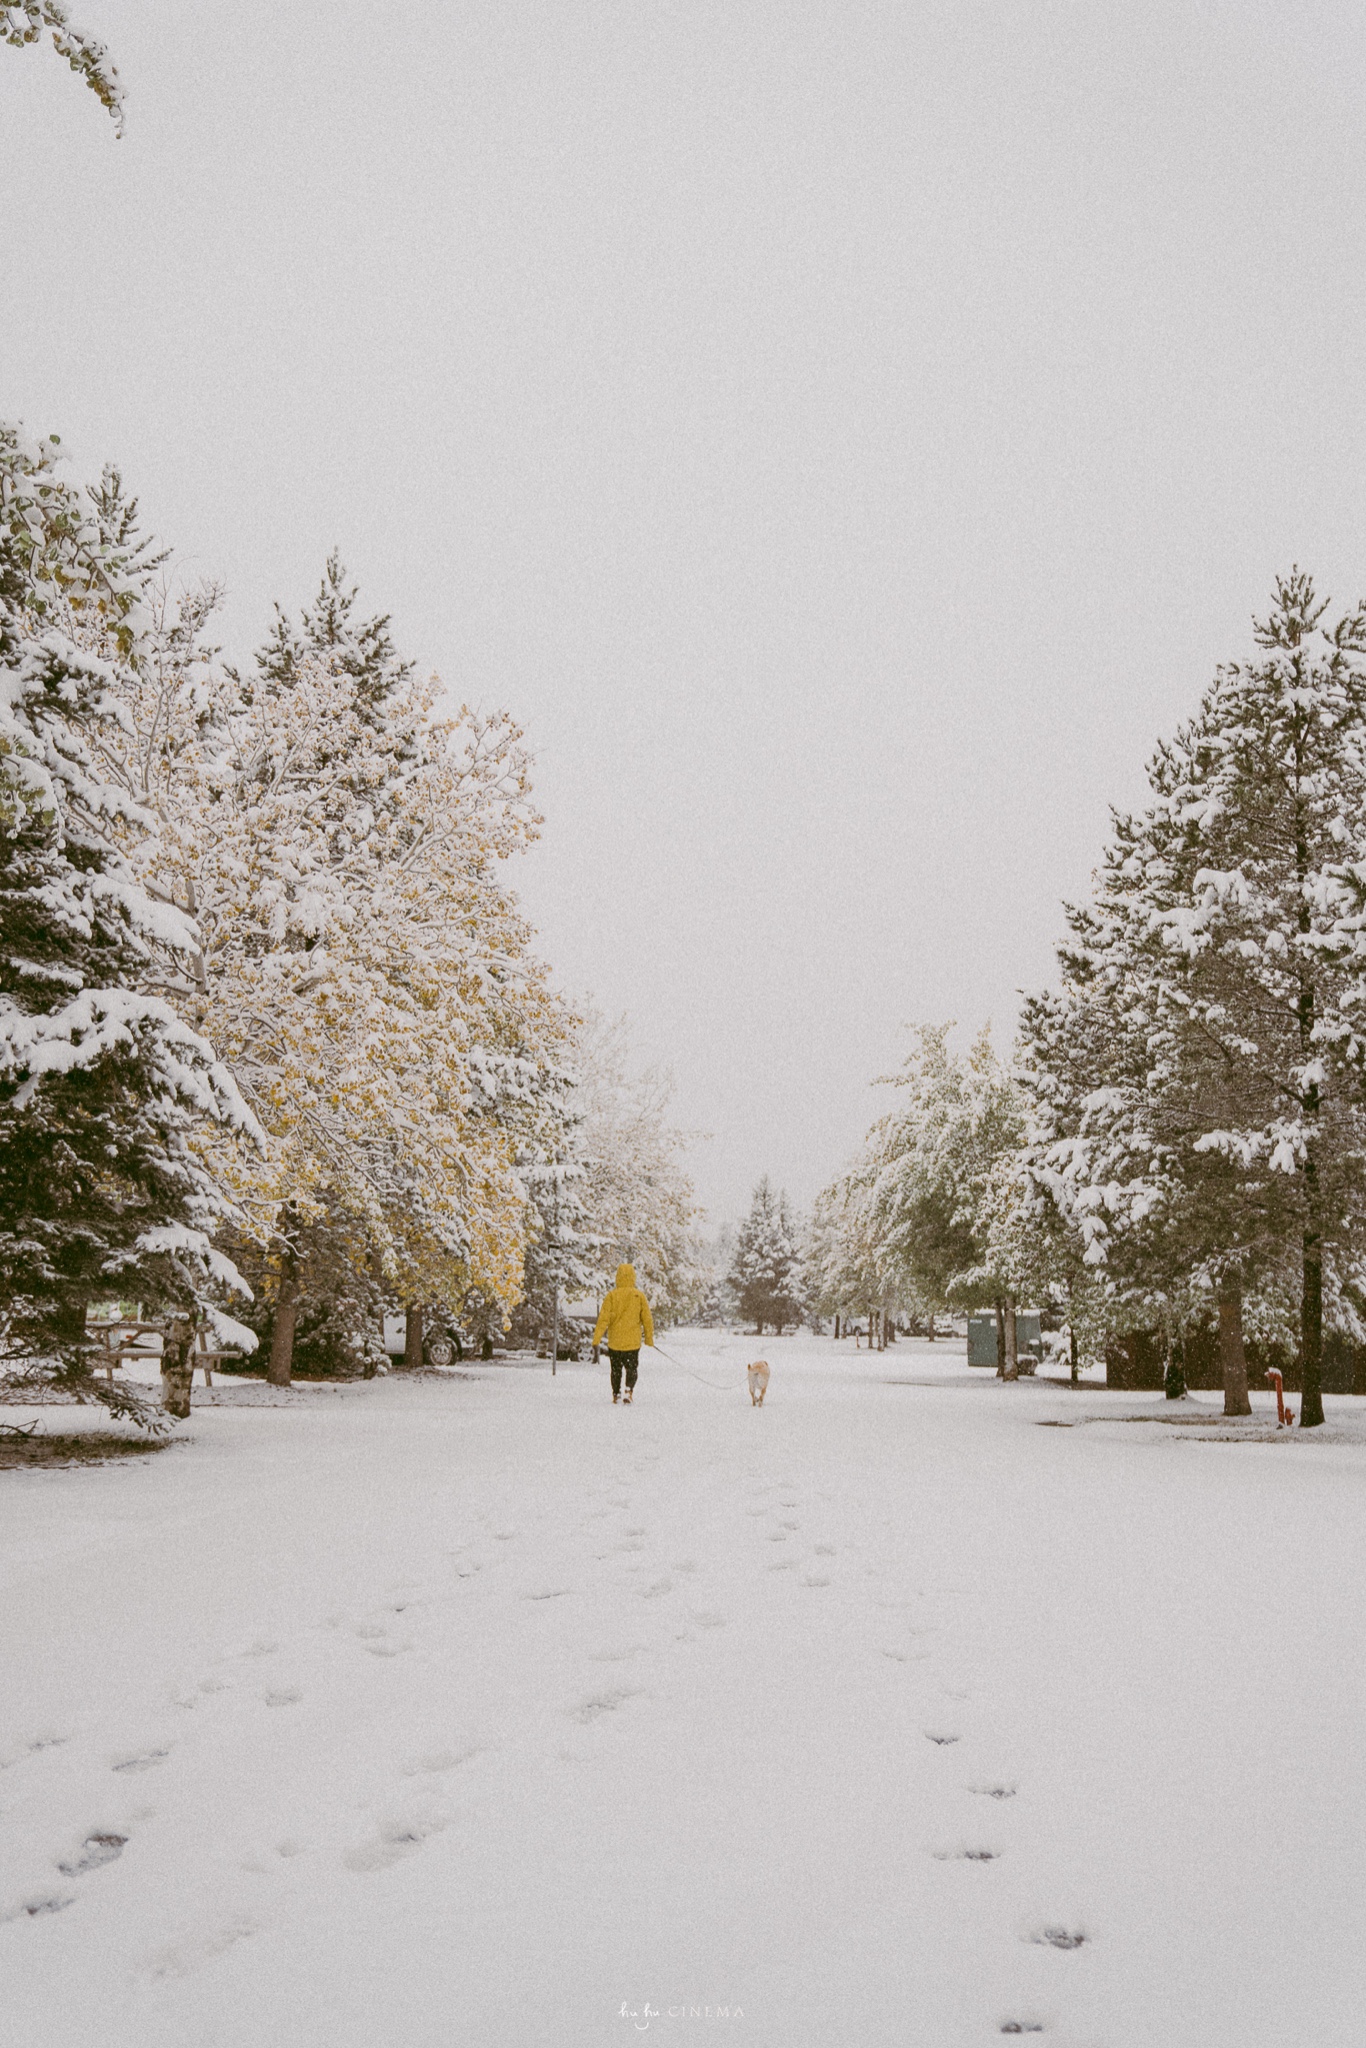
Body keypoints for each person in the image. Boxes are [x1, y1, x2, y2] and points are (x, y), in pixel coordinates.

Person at [592, 1262, 655, 1404]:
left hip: (615, 1342)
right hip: (632, 1343)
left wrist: (597, 1338)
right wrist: (649, 1338)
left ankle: (616, 1394)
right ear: (633, 1277)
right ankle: (628, 1390)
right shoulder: (639, 1296)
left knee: (615, 1370)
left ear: (618, 1277)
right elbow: (647, 1319)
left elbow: (603, 1319)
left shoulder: (611, 1296)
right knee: (631, 1368)